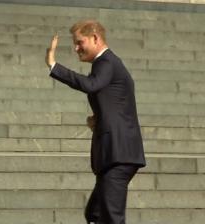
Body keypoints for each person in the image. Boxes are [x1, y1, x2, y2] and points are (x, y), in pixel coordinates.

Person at [45, 20, 146, 224]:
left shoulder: (106, 62)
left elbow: (92, 85)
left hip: (118, 154)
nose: (76, 48)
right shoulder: (106, 64)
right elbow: (117, 101)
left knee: (111, 217)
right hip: (114, 154)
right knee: (95, 213)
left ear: (95, 38)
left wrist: (54, 65)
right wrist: (99, 119)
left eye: (79, 42)